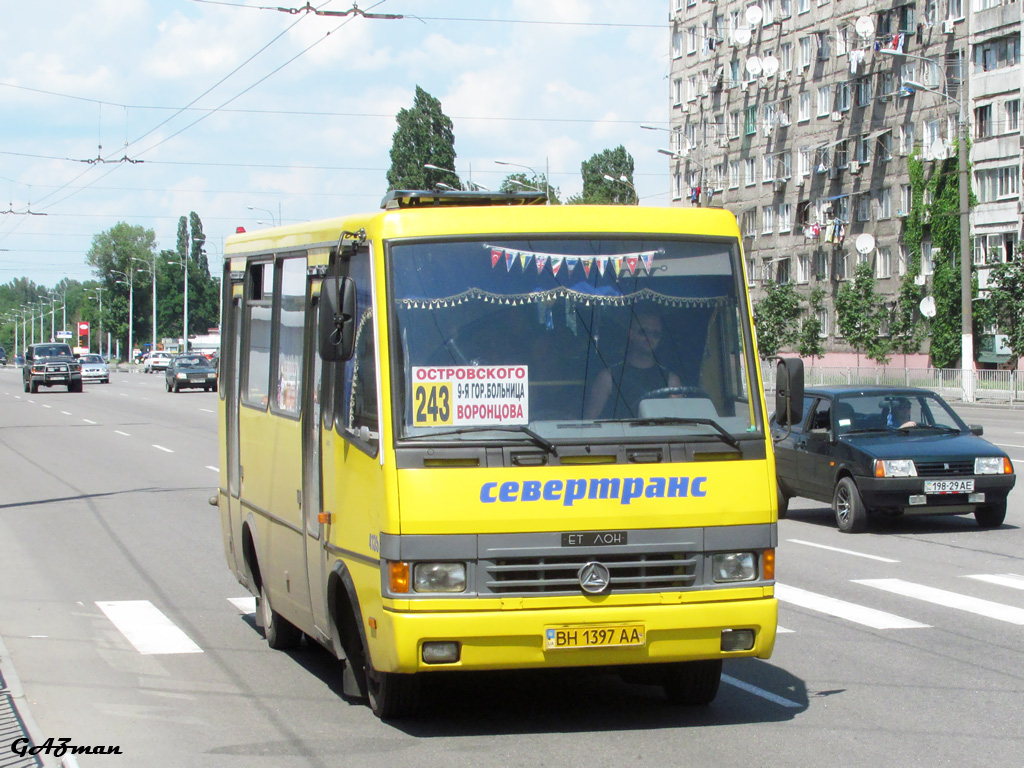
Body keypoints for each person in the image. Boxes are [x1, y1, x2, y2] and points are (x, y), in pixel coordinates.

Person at [584, 312, 681, 419]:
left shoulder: (671, 381)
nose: (649, 338)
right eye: (643, 332)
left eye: (656, 334)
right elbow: (590, 422)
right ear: (631, 334)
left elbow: (678, 423)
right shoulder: (608, 377)